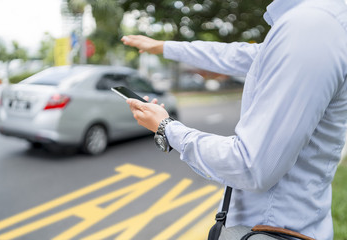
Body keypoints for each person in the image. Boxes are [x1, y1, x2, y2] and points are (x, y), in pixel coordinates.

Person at [121, 0, 347, 239]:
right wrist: (165, 47)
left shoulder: (311, 27)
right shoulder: (312, 23)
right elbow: (238, 54)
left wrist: (167, 128)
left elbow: (251, 166)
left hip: (270, 230)